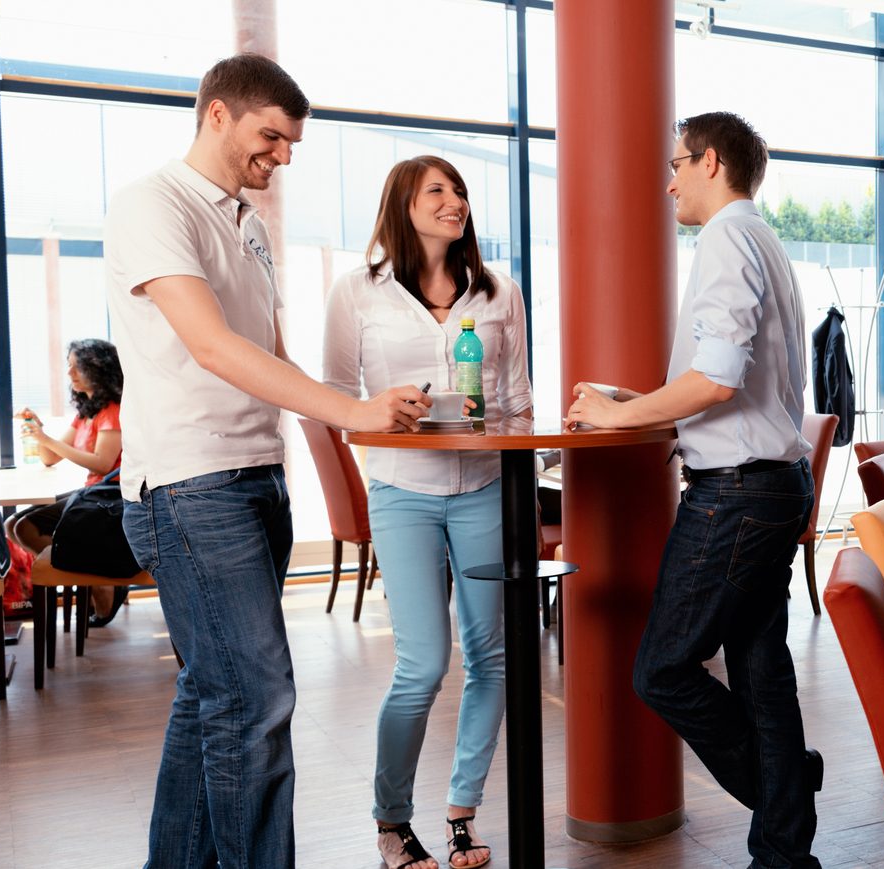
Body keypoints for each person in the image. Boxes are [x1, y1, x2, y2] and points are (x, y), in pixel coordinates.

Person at [106, 53, 428, 866]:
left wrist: (365, 414)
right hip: (189, 486)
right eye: (271, 136)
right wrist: (351, 409)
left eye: (291, 143)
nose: (283, 156)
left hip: (255, 481)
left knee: (213, 698)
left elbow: (272, 355)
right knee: (256, 699)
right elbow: (213, 347)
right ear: (217, 114)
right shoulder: (153, 204)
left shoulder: (245, 224)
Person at [565, 111, 821, 869]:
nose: (669, 181)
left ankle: (787, 791)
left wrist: (619, 413)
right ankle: (784, 850)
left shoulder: (724, 238)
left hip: (737, 494)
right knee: (761, 670)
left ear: (711, 161)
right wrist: (636, 398)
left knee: (662, 670)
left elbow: (716, 379)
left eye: (676, 164)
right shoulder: (763, 238)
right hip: (775, 482)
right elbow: (729, 376)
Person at [324, 155, 528, 869]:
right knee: (422, 664)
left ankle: (462, 813)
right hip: (403, 491)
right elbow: (335, 397)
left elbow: (519, 401)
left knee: (492, 659)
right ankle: (391, 820)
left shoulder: (499, 291)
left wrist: (525, 482)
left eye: (460, 190)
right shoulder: (359, 292)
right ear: (402, 205)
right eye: (436, 190)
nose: (454, 201)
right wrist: (385, 414)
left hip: (483, 488)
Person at [14, 338, 129, 624]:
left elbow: (103, 463)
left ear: (98, 369)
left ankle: (100, 582)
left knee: (26, 526)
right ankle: (97, 578)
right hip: (93, 496)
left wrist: (47, 439)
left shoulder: (113, 410)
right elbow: (49, 458)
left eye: (77, 367)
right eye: (69, 367)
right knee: (16, 526)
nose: (70, 374)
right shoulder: (87, 412)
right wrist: (39, 430)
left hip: (110, 498)